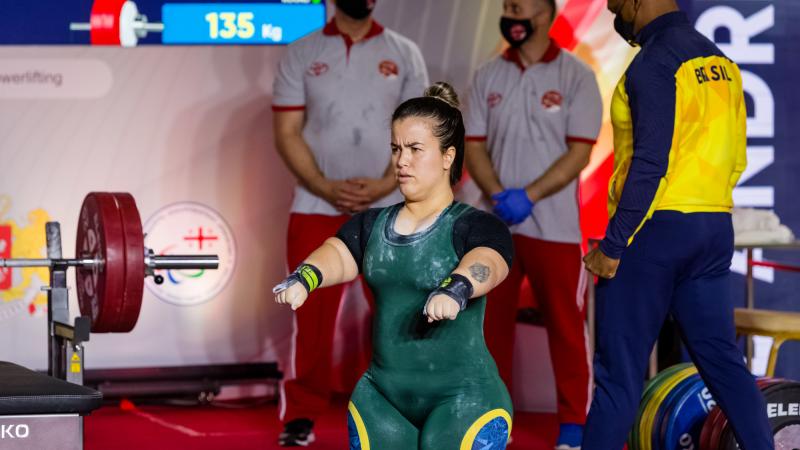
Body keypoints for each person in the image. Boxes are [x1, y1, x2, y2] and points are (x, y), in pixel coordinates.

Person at [274, 83, 515, 450]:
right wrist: (305, 277)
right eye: (396, 148)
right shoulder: (371, 225)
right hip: (383, 397)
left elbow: (488, 262)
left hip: (465, 398)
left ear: (448, 156)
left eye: (416, 149)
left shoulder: (475, 225)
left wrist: (457, 288)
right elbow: (338, 253)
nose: (402, 161)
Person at [582, 1, 774, 449]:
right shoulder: (721, 62)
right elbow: (737, 157)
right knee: (725, 365)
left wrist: (613, 244)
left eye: (616, 3)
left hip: (651, 231)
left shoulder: (654, 61)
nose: (613, 11)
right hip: (712, 225)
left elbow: (650, 162)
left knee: (619, 376)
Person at [271, 0, 429, 445]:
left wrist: (384, 186)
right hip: (315, 206)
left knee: (400, 314)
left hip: (391, 209)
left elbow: (420, 132)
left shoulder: (404, 52)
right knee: (309, 315)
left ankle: (404, 409)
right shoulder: (302, 51)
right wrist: (323, 185)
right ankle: (300, 415)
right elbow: (286, 132)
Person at [464, 0, 602, 447]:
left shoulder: (576, 76)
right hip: (494, 226)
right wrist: (500, 195)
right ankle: (490, 421)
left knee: (565, 326)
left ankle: (573, 426)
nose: (511, 11)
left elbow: (579, 152)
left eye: (518, 4)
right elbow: (475, 145)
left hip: (556, 229)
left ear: (545, 14)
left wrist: (531, 196)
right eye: (506, 5)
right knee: (489, 327)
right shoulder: (487, 75)